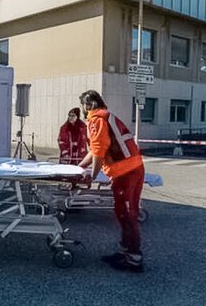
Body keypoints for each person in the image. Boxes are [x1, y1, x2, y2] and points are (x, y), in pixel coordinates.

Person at [77, 90, 145, 273]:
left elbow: (98, 151)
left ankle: (133, 259)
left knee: (126, 214)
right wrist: (80, 166)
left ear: (87, 105)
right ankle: (127, 251)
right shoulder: (106, 116)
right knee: (128, 212)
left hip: (125, 171)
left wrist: (91, 175)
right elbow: (95, 150)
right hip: (135, 167)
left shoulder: (96, 120)